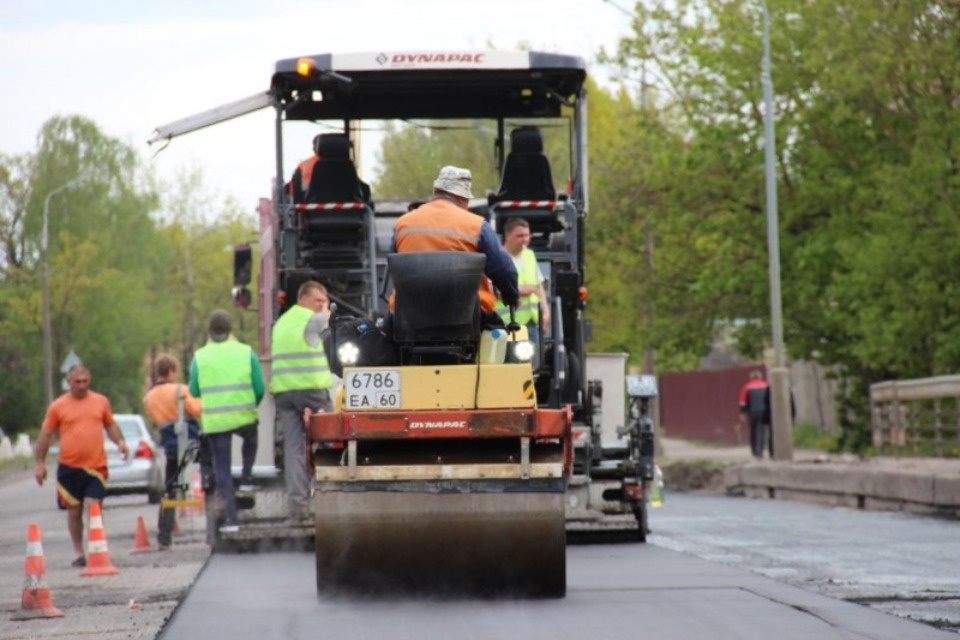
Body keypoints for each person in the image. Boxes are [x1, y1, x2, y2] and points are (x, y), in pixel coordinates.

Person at [392, 165, 520, 317]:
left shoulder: (403, 224)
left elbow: (394, 267)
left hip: (408, 316)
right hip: (467, 317)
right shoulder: (477, 226)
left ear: (436, 192)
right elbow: (503, 269)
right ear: (462, 197)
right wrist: (511, 296)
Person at [33, 364, 129, 567]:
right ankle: (78, 551)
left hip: (96, 466)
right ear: (69, 382)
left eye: (85, 381)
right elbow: (46, 435)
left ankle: (97, 547)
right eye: (77, 382)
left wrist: (120, 442)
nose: (82, 385)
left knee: (94, 505)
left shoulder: (100, 402)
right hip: (69, 466)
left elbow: (110, 425)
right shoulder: (58, 406)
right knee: (74, 512)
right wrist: (40, 463)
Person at [189, 310, 264, 533]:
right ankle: (247, 476)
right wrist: (250, 405)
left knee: (222, 469)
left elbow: (194, 390)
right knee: (251, 438)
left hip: (215, 422)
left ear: (209, 331)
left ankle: (231, 520)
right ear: (231, 330)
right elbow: (259, 388)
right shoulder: (246, 352)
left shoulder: (200, 357)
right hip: (244, 416)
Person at [270, 281, 334, 522]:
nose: (322, 304)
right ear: (304, 298)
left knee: (293, 449)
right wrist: (327, 310)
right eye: (318, 300)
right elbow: (327, 322)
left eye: (324, 301)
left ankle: (297, 510)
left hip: (285, 392)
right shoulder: (312, 318)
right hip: (312, 389)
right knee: (332, 440)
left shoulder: (281, 322)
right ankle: (333, 500)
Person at [143, 353, 203, 549]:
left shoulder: (149, 397)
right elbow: (197, 410)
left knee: (170, 491)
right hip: (191, 443)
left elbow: (155, 419)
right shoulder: (181, 390)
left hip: (170, 447)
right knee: (210, 477)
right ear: (171, 371)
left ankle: (164, 536)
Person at [496, 217, 550, 364]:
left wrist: (545, 312)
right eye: (519, 236)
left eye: (527, 235)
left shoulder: (529, 255)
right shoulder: (498, 258)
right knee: (509, 366)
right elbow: (489, 289)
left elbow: (538, 286)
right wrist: (519, 290)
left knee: (531, 367)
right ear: (507, 235)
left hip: (531, 323)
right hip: (505, 324)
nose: (524, 239)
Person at [739, 369, 771, 459]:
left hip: (752, 412)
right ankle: (760, 450)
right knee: (761, 431)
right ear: (760, 377)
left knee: (753, 430)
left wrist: (743, 413)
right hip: (764, 411)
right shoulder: (766, 386)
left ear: (751, 377)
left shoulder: (747, 387)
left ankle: (754, 450)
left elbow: (742, 402)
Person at [286, 134, 321, 204]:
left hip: (311, 207)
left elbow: (293, 189)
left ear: (314, 148)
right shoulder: (344, 164)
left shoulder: (304, 165)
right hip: (343, 206)